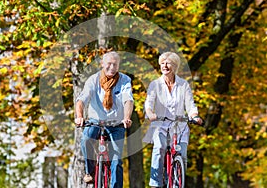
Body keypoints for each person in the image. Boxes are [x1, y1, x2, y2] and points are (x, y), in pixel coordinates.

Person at [143, 52, 203, 188]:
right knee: (159, 148)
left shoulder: (183, 85)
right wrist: (150, 113)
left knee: (182, 156)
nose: (165, 65)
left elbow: (190, 105)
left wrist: (194, 116)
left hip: (179, 126)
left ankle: (177, 184)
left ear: (175, 66)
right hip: (161, 125)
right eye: (162, 63)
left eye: (168, 63)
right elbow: (149, 103)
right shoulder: (155, 84)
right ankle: (156, 184)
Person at [75, 51, 134, 188]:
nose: (112, 67)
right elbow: (81, 100)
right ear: (102, 64)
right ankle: (90, 172)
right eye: (109, 64)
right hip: (95, 121)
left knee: (116, 160)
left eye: (115, 64)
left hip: (116, 123)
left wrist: (127, 117)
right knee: (86, 140)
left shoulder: (124, 80)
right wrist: (79, 117)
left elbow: (128, 100)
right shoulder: (93, 80)